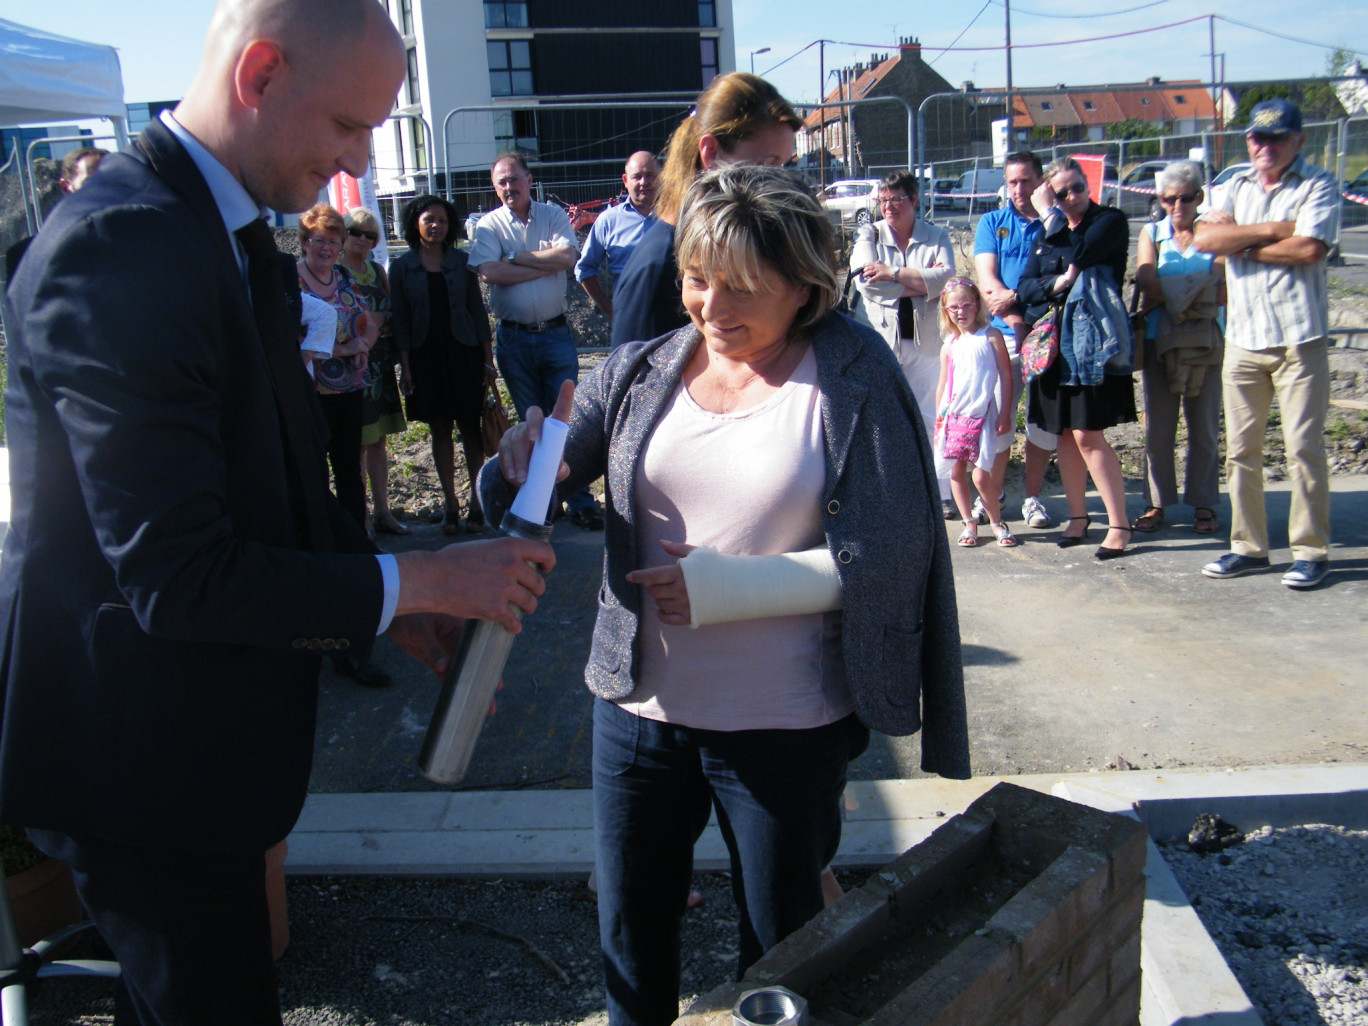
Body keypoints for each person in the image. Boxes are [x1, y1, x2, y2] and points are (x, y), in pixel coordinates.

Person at [0, 3, 554, 1023]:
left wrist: (384, 602)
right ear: (259, 74)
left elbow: (288, 482)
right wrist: (420, 576)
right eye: (348, 125)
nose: (358, 160)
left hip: (195, 755)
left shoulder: (214, 229)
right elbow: (175, 573)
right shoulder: (124, 246)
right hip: (145, 769)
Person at [485, 165, 969, 1026]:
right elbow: (541, 468)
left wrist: (733, 589)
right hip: (638, 716)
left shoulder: (853, 380)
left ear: (805, 286)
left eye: (742, 287)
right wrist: (524, 461)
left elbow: (899, 558)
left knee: (782, 954)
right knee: (631, 939)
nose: (711, 307)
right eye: (697, 279)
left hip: (785, 729)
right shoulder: (645, 368)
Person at [1194, 99, 1338, 589]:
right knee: (1240, 451)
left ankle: (1310, 549)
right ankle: (1249, 547)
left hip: (1300, 338)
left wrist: (1241, 240)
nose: (1264, 146)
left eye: (1276, 138)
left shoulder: (1318, 184)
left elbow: (1311, 248)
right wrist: (1273, 230)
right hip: (1244, 338)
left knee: (1303, 449)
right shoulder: (1233, 184)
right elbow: (1207, 241)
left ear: (1297, 140)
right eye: (1257, 137)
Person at [609, 71, 802, 349]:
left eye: (783, 166)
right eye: (765, 164)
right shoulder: (661, 263)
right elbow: (630, 382)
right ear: (710, 153)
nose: (777, 182)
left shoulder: (734, 244)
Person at [468, 151, 604, 529]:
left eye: (514, 179)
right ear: (495, 188)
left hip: (555, 334)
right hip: (513, 340)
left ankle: (578, 498)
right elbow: (488, 272)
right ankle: (541, 503)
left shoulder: (553, 216)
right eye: (502, 183)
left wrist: (514, 257)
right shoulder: (488, 226)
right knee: (532, 423)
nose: (509, 187)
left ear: (529, 180)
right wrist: (537, 263)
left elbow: (567, 257)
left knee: (566, 419)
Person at [1017, 156, 1136, 559]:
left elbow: (1083, 250)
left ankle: (1119, 524)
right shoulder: (1046, 233)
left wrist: (1051, 213)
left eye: (1077, 188)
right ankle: (1079, 516)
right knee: (1065, 433)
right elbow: (1027, 288)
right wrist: (1059, 281)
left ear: (1088, 186)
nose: (1071, 198)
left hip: (1090, 346)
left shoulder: (1109, 221)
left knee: (1088, 433)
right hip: (1053, 348)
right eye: (1060, 192)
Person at [850, 170, 956, 517]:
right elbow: (867, 284)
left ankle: (940, 492)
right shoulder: (871, 235)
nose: (888, 207)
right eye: (882, 200)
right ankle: (888, 491)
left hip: (926, 342)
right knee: (882, 419)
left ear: (913, 200)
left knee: (930, 418)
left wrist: (894, 274)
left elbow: (945, 279)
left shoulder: (936, 235)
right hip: (883, 342)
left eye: (895, 199)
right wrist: (922, 285)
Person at [391, 194, 497, 534]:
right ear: (415, 224)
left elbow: (477, 312)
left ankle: (476, 504)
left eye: (442, 220)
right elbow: (402, 321)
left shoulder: (461, 262)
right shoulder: (402, 267)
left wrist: (487, 359)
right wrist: (405, 368)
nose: (436, 225)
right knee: (439, 429)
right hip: (425, 358)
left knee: (470, 429)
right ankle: (450, 505)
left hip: (463, 354)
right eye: (429, 220)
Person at [1133, 160, 1225, 537]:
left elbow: (1222, 288)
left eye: (1185, 198)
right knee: (1159, 428)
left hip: (1205, 344)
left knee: (1203, 427)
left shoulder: (1216, 232)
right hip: (1160, 343)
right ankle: (1157, 502)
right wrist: (1195, 291)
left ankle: (1203, 502)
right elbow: (1145, 282)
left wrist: (1169, 294)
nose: (1177, 206)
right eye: (1169, 199)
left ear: (1199, 197)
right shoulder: (1151, 233)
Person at [973, 150, 1059, 529]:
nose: (1019, 189)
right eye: (1012, 181)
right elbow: (988, 283)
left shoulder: (1055, 222)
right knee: (998, 420)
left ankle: (1033, 497)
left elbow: (1062, 279)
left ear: (1042, 181)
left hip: (1048, 335)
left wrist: (1022, 309)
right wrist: (1014, 317)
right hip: (1006, 338)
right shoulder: (993, 222)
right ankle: (993, 494)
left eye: (1026, 180)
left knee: (1042, 422)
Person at [339, 205, 411, 538]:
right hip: (348, 368)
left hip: (378, 367)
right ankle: (359, 517)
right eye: (355, 232)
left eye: (370, 235)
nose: (362, 239)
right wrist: (374, 324)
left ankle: (383, 512)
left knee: (379, 442)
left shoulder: (377, 272)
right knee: (353, 444)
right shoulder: (335, 271)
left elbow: (392, 314)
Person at [934, 279, 1015, 548]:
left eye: (966, 304)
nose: (960, 311)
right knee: (956, 473)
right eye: (953, 307)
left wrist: (1004, 414)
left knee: (980, 476)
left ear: (977, 305)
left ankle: (996, 522)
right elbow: (943, 385)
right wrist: (939, 420)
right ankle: (968, 523)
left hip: (983, 416)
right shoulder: (950, 345)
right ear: (946, 311)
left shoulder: (991, 336)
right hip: (954, 417)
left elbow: (1005, 373)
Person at [575, 150, 660, 319]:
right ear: (625, 180)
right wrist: (610, 310)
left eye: (650, 175)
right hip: (628, 319)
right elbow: (584, 268)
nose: (644, 182)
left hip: (673, 322)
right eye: (637, 176)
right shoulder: (608, 220)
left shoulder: (677, 217)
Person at [5, 146, 109, 281]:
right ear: (66, 187)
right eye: (91, 182)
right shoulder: (27, 257)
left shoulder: (140, 242)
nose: (104, 189)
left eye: (112, 181)